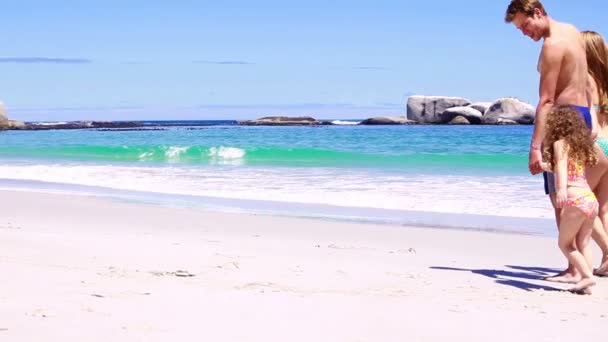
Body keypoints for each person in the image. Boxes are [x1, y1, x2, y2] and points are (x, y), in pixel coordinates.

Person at [505, 0, 594, 283]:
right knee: (581, 195)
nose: (524, 33)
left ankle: (573, 269)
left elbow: (546, 100)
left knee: (562, 198)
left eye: (525, 25)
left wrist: (534, 148)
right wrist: (591, 116)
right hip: (582, 116)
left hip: (562, 120)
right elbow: (587, 80)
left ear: (538, 12)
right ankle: (582, 267)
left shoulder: (552, 45)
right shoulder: (574, 32)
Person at [541, 105, 598, 294]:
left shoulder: (560, 144)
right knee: (583, 243)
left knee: (565, 244)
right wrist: (545, 166)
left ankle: (587, 277)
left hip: (575, 199)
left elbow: (563, 168)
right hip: (590, 199)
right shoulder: (581, 145)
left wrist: (561, 190)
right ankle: (586, 284)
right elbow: (571, 168)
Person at [581, 30, 608, 277]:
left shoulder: (585, 78)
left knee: (582, 203)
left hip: (597, 144)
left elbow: (589, 113)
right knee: (603, 208)